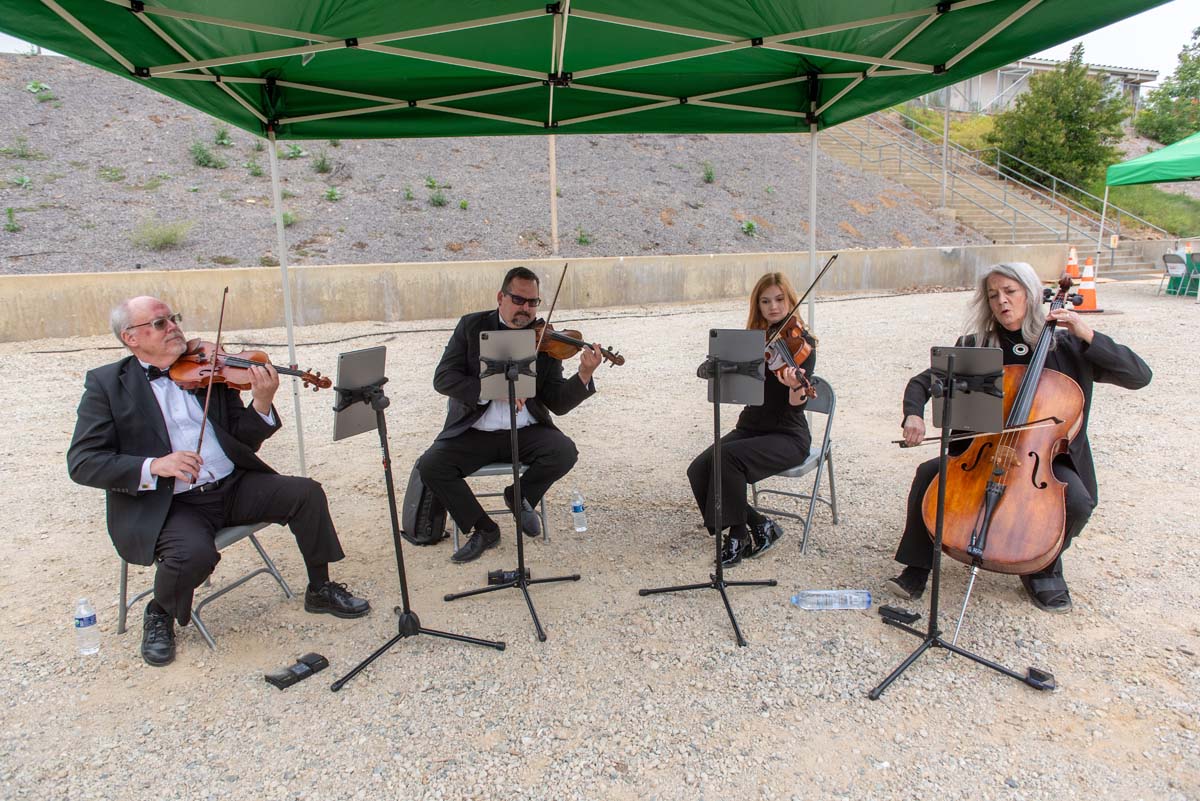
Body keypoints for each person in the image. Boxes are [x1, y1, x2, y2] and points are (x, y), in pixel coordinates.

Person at [67, 296, 369, 667]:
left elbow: (242, 438)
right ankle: (159, 611)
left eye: (173, 318)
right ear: (131, 337)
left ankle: (319, 588)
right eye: (160, 323)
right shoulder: (106, 385)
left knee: (305, 493)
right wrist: (155, 465)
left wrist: (261, 401)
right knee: (192, 555)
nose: (174, 326)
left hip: (231, 485)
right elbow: (83, 462)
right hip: (172, 504)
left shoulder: (209, 369)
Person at [887, 262, 1151, 612]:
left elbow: (1139, 376)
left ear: (1029, 294)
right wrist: (913, 414)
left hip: (1043, 461)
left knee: (1079, 503)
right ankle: (918, 566)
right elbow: (924, 382)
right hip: (983, 454)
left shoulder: (1065, 344)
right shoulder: (980, 346)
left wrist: (1086, 332)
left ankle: (1041, 567)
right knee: (930, 475)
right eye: (994, 295)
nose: (1002, 302)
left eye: (1010, 292)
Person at [417, 267, 602, 563]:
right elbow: (443, 379)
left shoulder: (545, 339)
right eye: (518, 300)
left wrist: (583, 374)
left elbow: (557, 402)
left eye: (533, 302)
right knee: (430, 466)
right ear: (501, 297)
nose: (526, 309)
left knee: (564, 452)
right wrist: (491, 389)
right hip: (476, 431)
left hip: (526, 431)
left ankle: (519, 496)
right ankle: (484, 528)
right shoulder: (471, 326)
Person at [686, 272, 817, 567]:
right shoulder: (752, 343)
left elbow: (797, 405)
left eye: (780, 300)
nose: (774, 307)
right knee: (699, 469)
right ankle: (760, 524)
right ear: (757, 306)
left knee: (728, 458)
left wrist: (794, 386)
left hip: (787, 435)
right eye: (766, 301)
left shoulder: (802, 346)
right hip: (751, 427)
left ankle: (738, 535)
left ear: (790, 301)